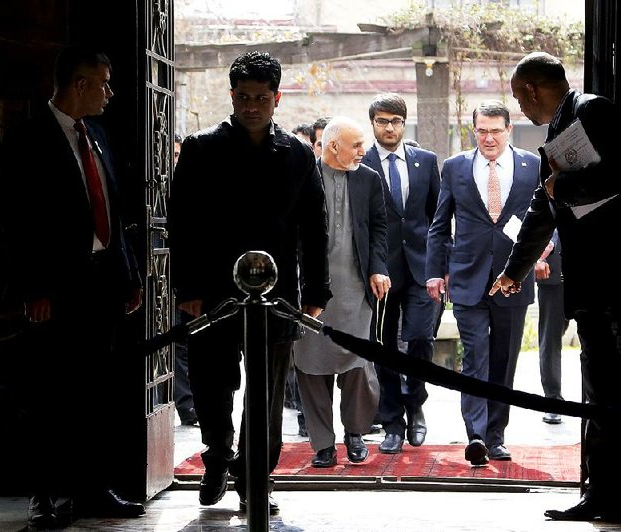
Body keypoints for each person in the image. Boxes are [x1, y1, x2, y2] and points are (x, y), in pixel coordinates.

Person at [490, 51, 621, 531]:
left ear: (532, 90)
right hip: (594, 286)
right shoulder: (561, 128)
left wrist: (564, 186)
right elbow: (545, 206)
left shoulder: (593, 110)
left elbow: (618, 178)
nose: (519, 108)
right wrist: (516, 269)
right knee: (603, 396)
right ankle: (605, 494)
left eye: (519, 97)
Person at [168, 51, 331, 516]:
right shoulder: (202, 148)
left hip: (278, 295)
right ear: (232, 96)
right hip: (212, 292)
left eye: (261, 97)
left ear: (277, 98)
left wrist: (316, 294)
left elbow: (314, 229)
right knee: (211, 383)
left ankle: (256, 479)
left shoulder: (298, 154)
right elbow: (183, 224)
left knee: (269, 393)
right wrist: (188, 290)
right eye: (244, 97)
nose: (252, 106)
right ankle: (218, 457)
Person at [0, 44, 146, 528]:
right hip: (55, 291)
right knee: (48, 397)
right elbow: (16, 222)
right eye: (103, 83)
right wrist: (32, 289)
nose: (109, 92)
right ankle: (44, 496)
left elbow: (116, 212)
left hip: (102, 285)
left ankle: (91, 490)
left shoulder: (98, 134)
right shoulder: (27, 139)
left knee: (95, 394)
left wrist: (131, 276)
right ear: (79, 84)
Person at [425, 99, 540, 466]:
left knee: (504, 361)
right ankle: (475, 434)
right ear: (473, 130)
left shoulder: (531, 165)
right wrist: (434, 270)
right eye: (482, 131)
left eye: (495, 130)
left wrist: (545, 250)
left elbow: (548, 218)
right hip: (467, 277)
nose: (488, 138)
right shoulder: (456, 166)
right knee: (474, 356)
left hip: (513, 279)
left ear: (509, 129)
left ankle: (496, 435)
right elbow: (441, 223)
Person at [293, 116, 390, 468]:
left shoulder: (369, 179)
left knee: (358, 366)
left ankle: (355, 432)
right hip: (309, 290)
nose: (364, 151)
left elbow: (379, 228)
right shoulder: (303, 176)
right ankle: (322, 444)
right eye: (357, 145)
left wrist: (379, 266)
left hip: (355, 286)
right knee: (310, 366)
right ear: (333, 146)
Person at [362, 92, 442, 454]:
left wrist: (442, 265)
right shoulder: (362, 164)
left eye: (395, 121)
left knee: (422, 338)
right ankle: (392, 420)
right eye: (382, 121)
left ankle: (416, 403)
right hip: (381, 271)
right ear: (373, 123)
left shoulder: (426, 161)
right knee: (384, 346)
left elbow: (436, 218)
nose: (389, 127)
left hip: (423, 268)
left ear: (404, 123)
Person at [170, 132, 197, 426]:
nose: (175, 160)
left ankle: (191, 404)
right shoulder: (155, 183)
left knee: (189, 342)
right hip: (160, 277)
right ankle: (186, 405)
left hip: (188, 280)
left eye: (178, 155)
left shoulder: (192, 183)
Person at [535, 229, 568, 425]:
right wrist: (537, 257)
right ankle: (553, 399)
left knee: (596, 336)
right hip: (552, 269)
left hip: (589, 269)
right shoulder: (542, 196)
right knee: (550, 339)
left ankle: (595, 396)